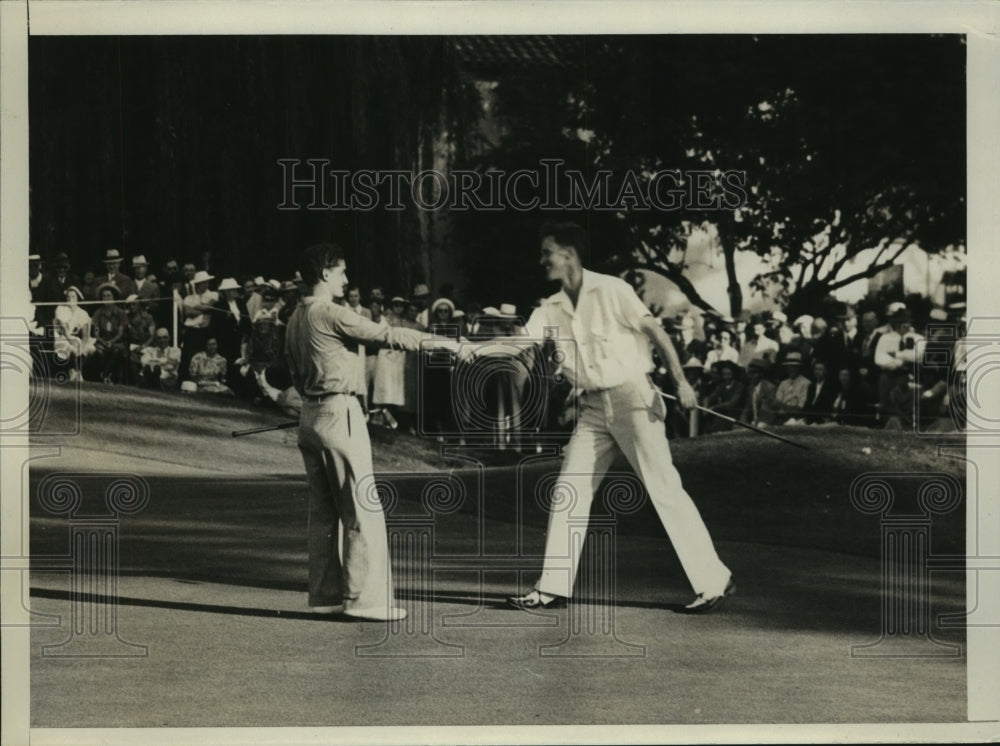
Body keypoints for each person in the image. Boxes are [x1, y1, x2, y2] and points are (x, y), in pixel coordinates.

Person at [493, 222, 732, 613]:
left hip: (632, 398)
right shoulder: (549, 308)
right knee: (569, 489)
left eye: (547, 252)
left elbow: (656, 333)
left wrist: (682, 382)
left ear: (568, 255)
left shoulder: (613, 290)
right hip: (591, 407)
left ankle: (713, 580)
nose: (542, 260)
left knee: (663, 488)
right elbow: (518, 346)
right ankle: (552, 587)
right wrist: (466, 351)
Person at [284, 242, 467, 621]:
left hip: (310, 417)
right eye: (341, 271)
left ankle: (326, 596)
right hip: (339, 413)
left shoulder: (294, 317)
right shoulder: (332, 313)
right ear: (325, 273)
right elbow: (390, 335)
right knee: (361, 507)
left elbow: (283, 373)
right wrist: (449, 344)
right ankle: (365, 601)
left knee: (323, 514)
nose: (347, 278)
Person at [87, 283, 128, 383]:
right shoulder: (98, 312)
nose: (106, 298)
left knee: (116, 351)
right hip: (102, 341)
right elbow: (96, 332)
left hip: (116, 342)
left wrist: (111, 342)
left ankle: (106, 374)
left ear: (114, 297)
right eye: (104, 296)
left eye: (109, 295)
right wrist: (103, 341)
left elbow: (120, 333)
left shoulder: (120, 313)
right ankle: (105, 375)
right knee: (99, 352)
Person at [52, 286, 95, 379]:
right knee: (67, 347)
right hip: (63, 337)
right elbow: (64, 329)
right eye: (68, 297)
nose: (70, 299)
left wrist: (81, 346)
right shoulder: (60, 309)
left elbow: (86, 335)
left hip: (78, 340)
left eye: (73, 297)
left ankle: (76, 371)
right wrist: (73, 342)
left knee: (89, 348)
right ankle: (73, 372)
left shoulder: (83, 313)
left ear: (77, 299)